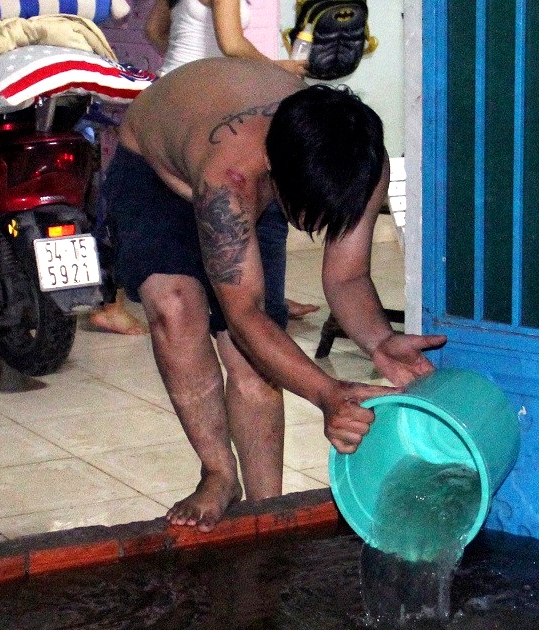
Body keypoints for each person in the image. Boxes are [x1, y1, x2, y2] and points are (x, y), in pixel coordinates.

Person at [103, 58, 446, 529]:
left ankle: (267, 509)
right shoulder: (231, 179)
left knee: (255, 361)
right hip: (156, 167)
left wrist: (380, 341)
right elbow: (243, 316)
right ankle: (219, 473)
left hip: (247, 168)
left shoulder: (360, 162)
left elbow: (346, 277)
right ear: (273, 172)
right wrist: (326, 392)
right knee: (177, 309)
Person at [144, 0, 318, 320]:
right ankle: (263, 306)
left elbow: (154, 30)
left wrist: (187, 64)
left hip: (170, 94)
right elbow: (232, 44)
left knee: (190, 210)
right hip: (200, 102)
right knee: (262, 210)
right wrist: (278, 69)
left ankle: (257, 299)